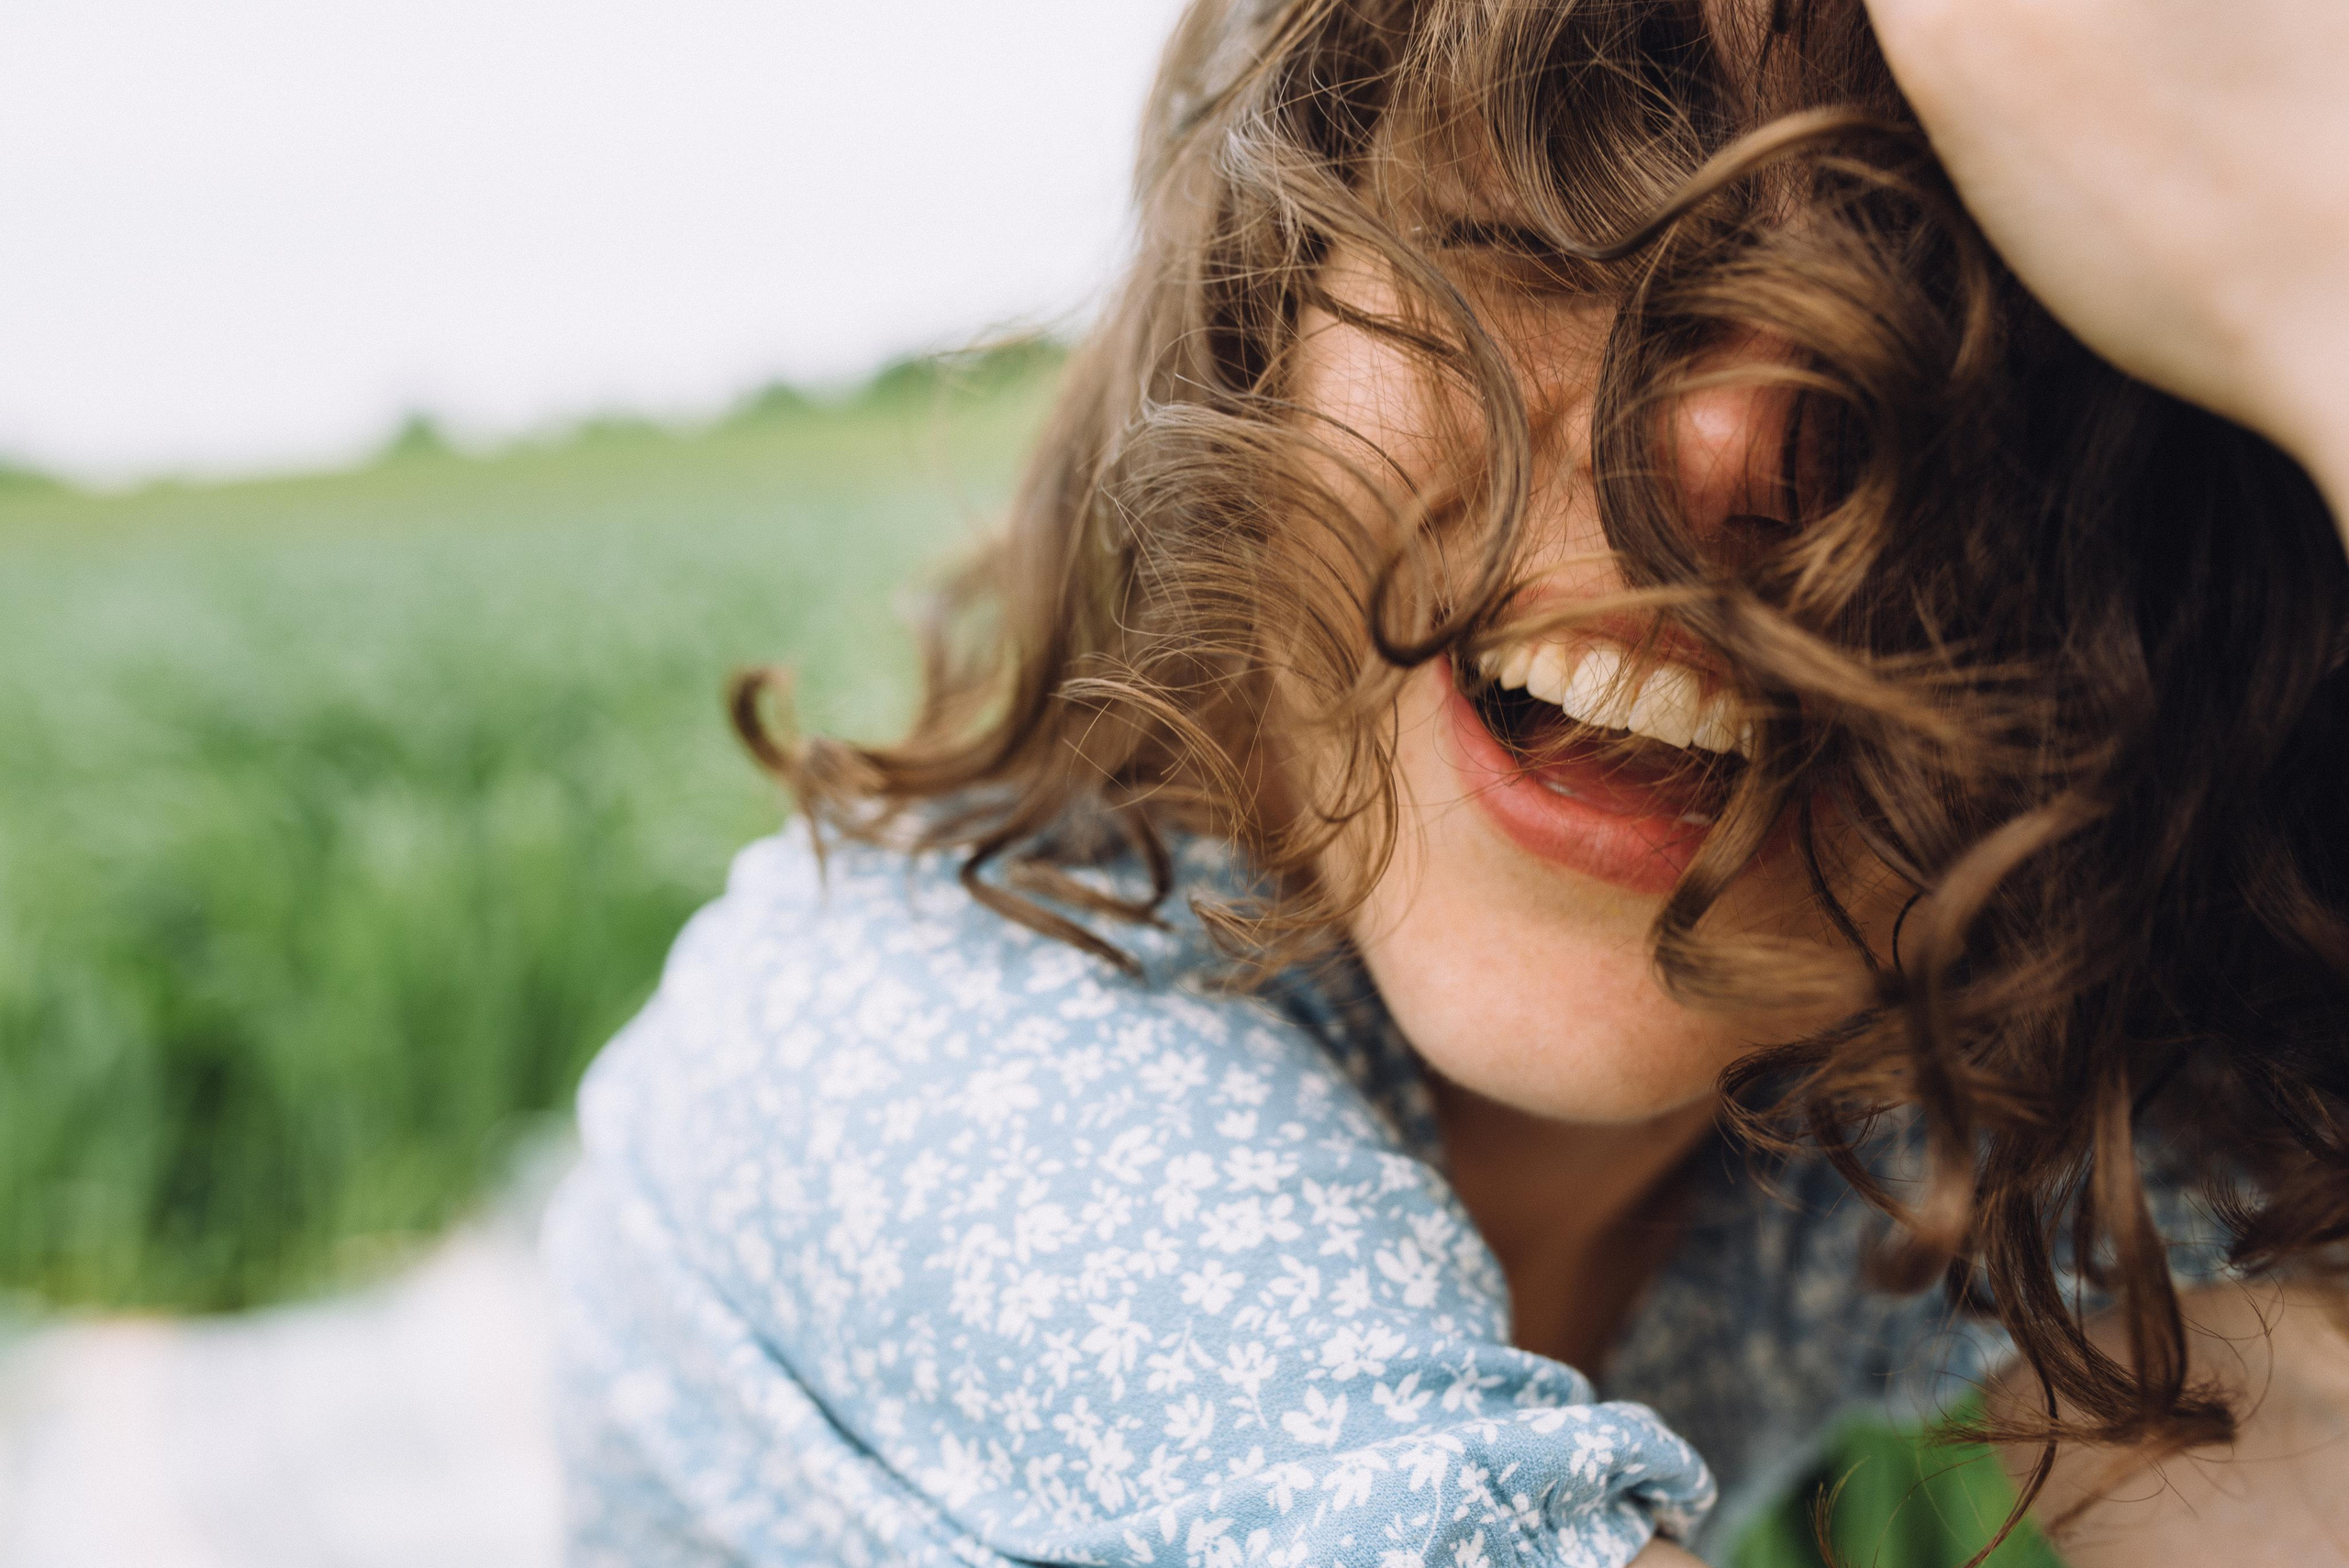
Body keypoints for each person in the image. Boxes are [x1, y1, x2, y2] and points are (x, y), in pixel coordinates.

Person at [542, 1, 2349, 1563]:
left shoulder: (1879, 1090)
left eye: (1970, 330)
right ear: (1262, 329)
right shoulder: (964, 1064)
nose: (1719, 445)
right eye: (1547, 221)